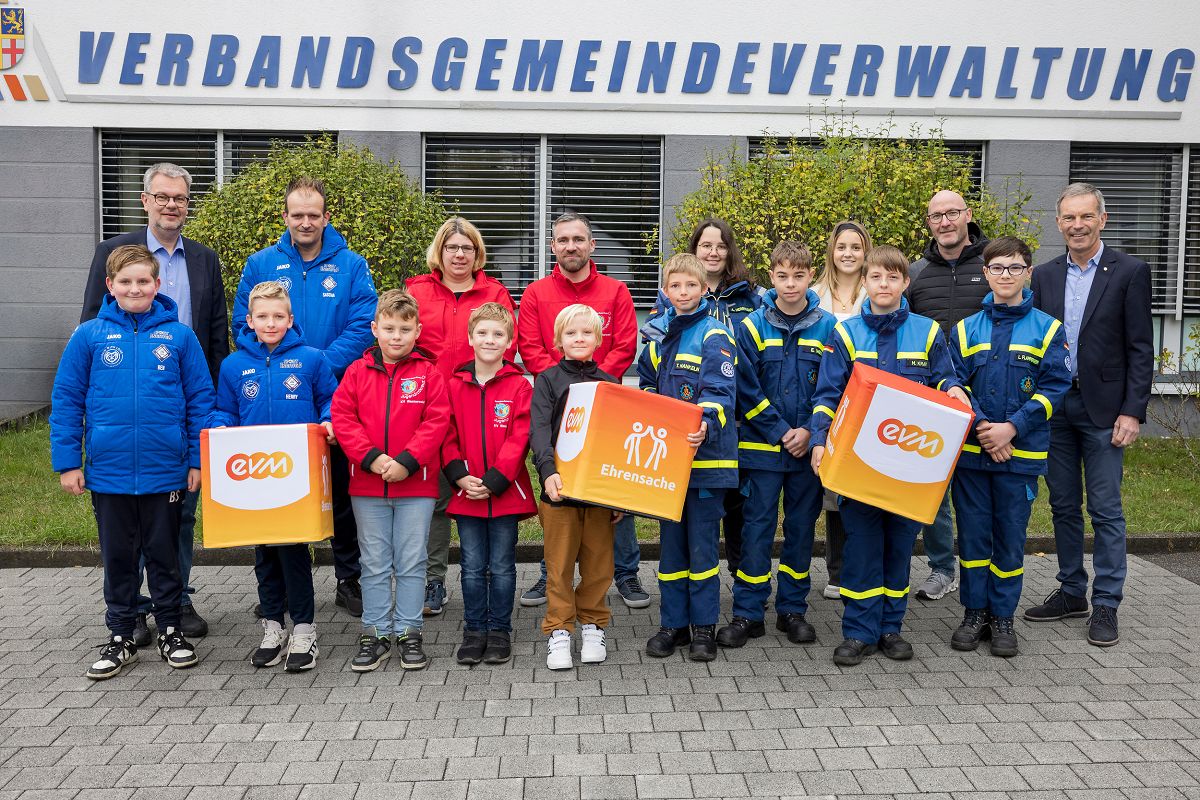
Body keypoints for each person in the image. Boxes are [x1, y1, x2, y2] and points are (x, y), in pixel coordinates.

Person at [52, 244, 215, 679]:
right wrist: (69, 462)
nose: (135, 288)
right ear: (110, 286)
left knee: (164, 556)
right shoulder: (89, 336)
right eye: (125, 281)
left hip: (167, 472)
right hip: (109, 473)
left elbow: (201, 401)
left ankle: (170, 630)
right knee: (119, 557)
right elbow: (66, 401)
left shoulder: (181, 337)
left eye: (144, 281)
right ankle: (122, 634)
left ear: (158, 285)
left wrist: (197, 459)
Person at [81, 163, 228, 643]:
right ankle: (135, 611)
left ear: (188, 203)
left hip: (182, 399)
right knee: (130, 517)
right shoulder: (114, 254)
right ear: (145, 200)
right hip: (126, 406)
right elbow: (91, 323)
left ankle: (175, 600)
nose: (171, 205)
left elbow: (215, 334)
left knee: (179, 511)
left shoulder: (205, 258)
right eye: (162, 197)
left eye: (180, 198)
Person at [810, 245, 969, 666]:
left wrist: (954, 390)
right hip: (859, 463)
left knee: (898, 548)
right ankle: (859, 632)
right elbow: (827, 395)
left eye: (892, 278)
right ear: (865, 282)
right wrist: (819, 440)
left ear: (905, 283)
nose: (884, 285)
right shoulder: (844, 334)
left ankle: (890, 629)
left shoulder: (928, 332)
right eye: (876, 277)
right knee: (862, 549)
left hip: (909, 464)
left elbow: (945, 378)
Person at [235, 177, 378, 618]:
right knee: (271, 497)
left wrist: (313, 362)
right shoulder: (260, 264)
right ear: (285, 216)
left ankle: (348, 580)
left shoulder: (352, 265)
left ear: (326, 217)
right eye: (297, 214)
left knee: (339, 491)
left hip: (334, 395)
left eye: (313, 214)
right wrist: (285, 367)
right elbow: (244, 324)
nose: (305, 221)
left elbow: (362, 324)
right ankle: (273, 591)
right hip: (273, 400)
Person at [1026, 183, 1154, 647]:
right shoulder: (1043, 275)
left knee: (1105, 508)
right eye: (1068, 218)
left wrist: (1133, 411)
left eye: (1085, 217)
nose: (1076, 225)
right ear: (1058, 223)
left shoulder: (1130, 272)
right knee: (1062, 505)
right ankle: (1071, 590)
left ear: (1102, 219)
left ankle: (1106, 602)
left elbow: (1141, 348)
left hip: (1105, 410)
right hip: (1055, 409)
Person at [516, 212, 647, 611]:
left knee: (608, 486)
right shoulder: (537, 294)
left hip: (604, 404)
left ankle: (625, 572)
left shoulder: (616, 291)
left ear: (592, 245)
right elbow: (529, 346)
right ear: (553, 247)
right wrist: (560, 382)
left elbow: (625, 345)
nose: (571, 246)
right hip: (556, 406)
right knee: (558, 484)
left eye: (579, 239)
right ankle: (549, 571)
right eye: (563, 240)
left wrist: (595, 382)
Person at [948, 237, 1071, 657]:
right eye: (997, 268)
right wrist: (985, 428)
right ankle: (973, 614)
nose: (1005, 275)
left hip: (1020, 456)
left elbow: (1055, 387)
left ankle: (1002, 617)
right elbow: (955, 385)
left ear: (1028, 273)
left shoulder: (1048, 328)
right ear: (985, 273)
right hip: (972, 455)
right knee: (975, 538)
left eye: (1014, 268)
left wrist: (1011, 430)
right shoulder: (965, 330)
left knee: (1009, 540)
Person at [213, 281, 339, 672]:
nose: (270, 323)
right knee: (264, 555)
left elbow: (330, 400)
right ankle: (272, 627)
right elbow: (225, 411)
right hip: (253, 479)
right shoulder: (233, 366)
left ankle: (304, 630)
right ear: (249, 320)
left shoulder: (312, 359)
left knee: (294, 555)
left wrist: (328, 421)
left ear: (290, 319)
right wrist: (218, 428)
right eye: (262, 317)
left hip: (295, 479)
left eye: (278, 316)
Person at [719, 241, 836, 649]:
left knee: (801, 530)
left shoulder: (829, 327)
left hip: (808, 453)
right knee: (756, 531)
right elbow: (743, 387)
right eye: (782, 275)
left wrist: (808, 431)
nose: (790, 284)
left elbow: (833, 386)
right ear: (771, 276)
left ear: (810, 276)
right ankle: (748, 613)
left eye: (799, 275)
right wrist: (780, 430)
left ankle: (792, 610)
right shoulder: (749, 326)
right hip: (763, 452)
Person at [331, 290, 449, 672]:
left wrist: (406, 462)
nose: (396, 336)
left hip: (416, 484)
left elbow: (436, 422)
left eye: (404, 328)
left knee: (413, 561)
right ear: (374, 329)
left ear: (418, 331)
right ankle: (377, 631)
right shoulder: (356, 372)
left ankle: (409, 632)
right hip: (367, 485)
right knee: (375, 562)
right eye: (388, 328)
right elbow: (344, 418)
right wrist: (373, 459)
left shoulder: (429, 373)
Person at [407, 217, 517, 618]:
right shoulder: (418, 290)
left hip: (484, 402)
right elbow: (405, 339)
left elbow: (508, 338)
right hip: (431, 405)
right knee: (435, 497)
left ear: (477, 253)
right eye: (452, 247)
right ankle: (434, 580)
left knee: (484, 486)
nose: (458, 254)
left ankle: (489, 577)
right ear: (440, 250)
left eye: (466, 248)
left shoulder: (495, 292)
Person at [639, 254, 738, 662]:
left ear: (703, 290)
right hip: (667, 465)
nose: (683, 293)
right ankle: (672, 625)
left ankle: (703, 628)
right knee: (671, 554)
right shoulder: (656, 336)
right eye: (675, 287)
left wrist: (706, 425)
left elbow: (722, 393)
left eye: (691, 286)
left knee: (702, 554)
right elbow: (645, 384)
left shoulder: (715, 335)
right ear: (665, 291)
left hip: (706, 463)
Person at [906, 190, 992, 603]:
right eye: (936, 215)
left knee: (977, 492)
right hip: (933, 399)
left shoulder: (992, 266)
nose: (945, 222)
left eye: (952, 213)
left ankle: (985, 569)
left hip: (988, 396)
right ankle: (943, 569)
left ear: (967, 216)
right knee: (933, 490)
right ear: (929, 222)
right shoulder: (916, 272)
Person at [442, 303, 537, 666]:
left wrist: (495, 480)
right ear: (470, 338)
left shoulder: (519, 387)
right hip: (466, 492)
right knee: (470, 565)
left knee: (501, 566)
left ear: (510, 341)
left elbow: (520, 436)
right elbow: (445, 432)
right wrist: (458, 475)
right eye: (482, 333)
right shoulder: (453, 384)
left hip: (504, 493)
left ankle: (499, 631)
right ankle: (474, 630)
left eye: (498, 334)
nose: (489, 339)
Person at [529, 304, 623, 670]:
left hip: (599, 494)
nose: (579, 338)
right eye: (571, 333)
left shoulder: (611, 384)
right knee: (559, 566)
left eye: (587, 333)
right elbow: (538, 431)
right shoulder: (548, 380)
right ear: (558, 340)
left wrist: (618, 496)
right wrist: (547, 471)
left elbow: (617, 442)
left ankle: (593, 625)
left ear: (599, 339)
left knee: (600, 565)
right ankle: (559, 630)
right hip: (560, 491)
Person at [813, 220, 871, 600]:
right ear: (832, 252)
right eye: (841, 246)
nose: (847, 253)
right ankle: (837, 570)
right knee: (833, 487)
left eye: (855, 246)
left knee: (864, 484)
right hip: (828, 398)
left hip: (869, 406)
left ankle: (864, 568)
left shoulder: (878, 289)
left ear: (866, 251)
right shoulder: (815, 294)